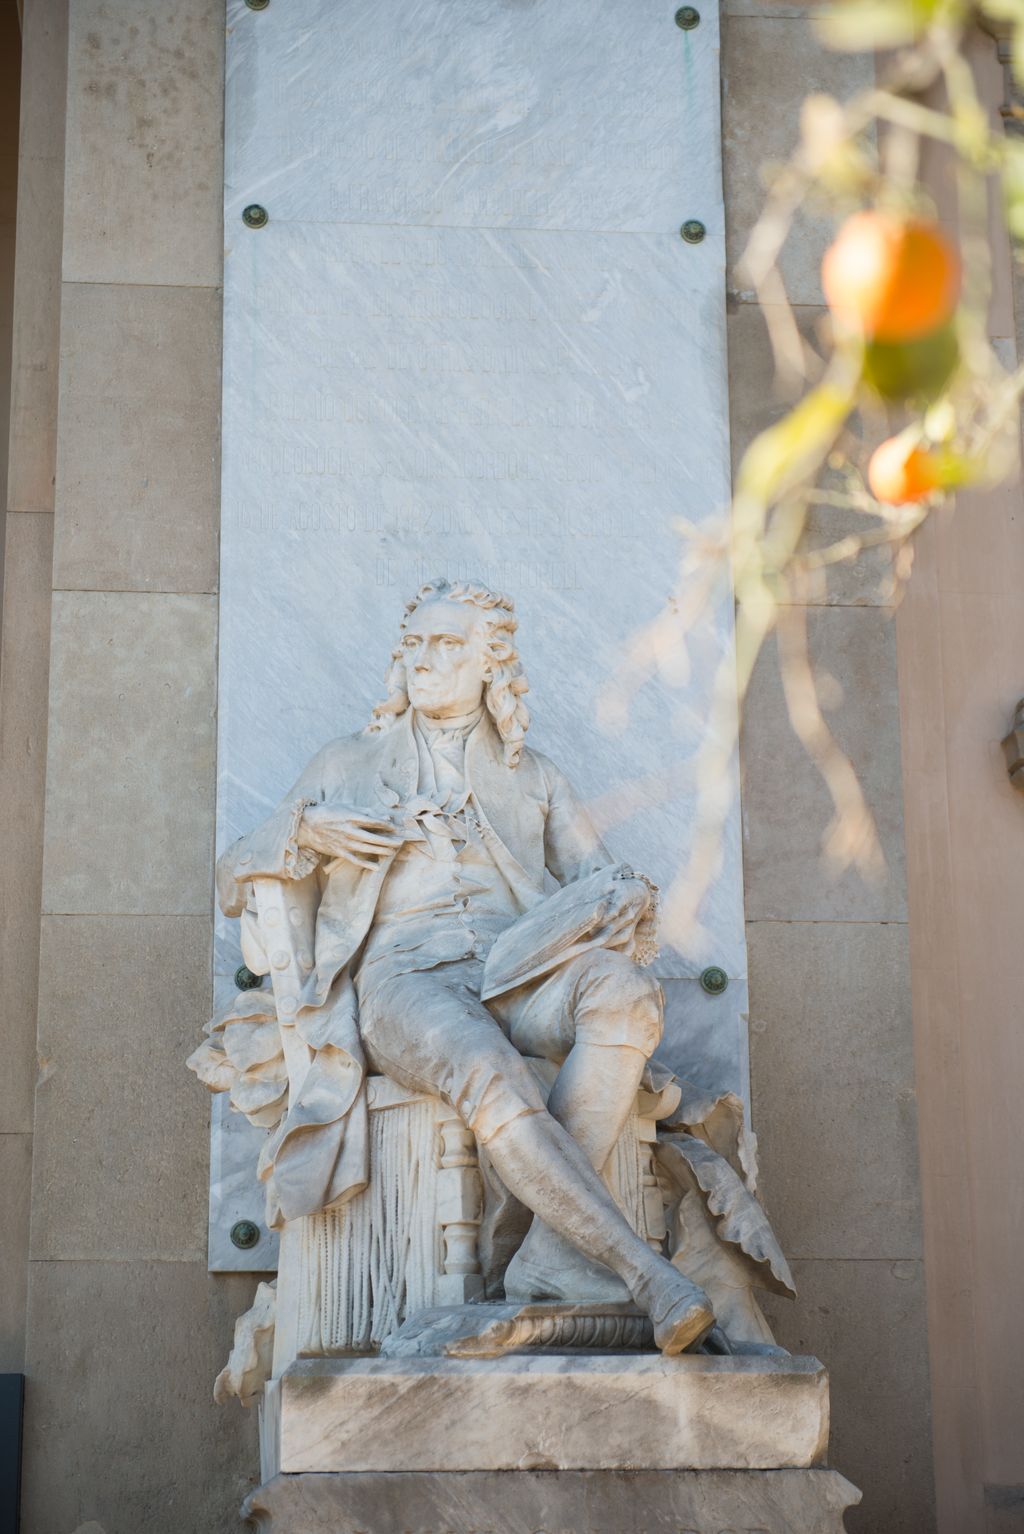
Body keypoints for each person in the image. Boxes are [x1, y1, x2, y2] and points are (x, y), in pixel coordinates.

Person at [212, 577, 715, 1354]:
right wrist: (308, 831)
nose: (425, 659)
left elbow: (599, 876)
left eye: (448, 644)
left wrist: (627, 899)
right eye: (414, 644)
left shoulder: (534, 775)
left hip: (518, 971)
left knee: (626, 992)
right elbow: (231, 872)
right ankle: (643, 1274)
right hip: (403, 980)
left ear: (491, 663)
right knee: (488, 1066)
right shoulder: (346, 763)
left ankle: (549, 1257)